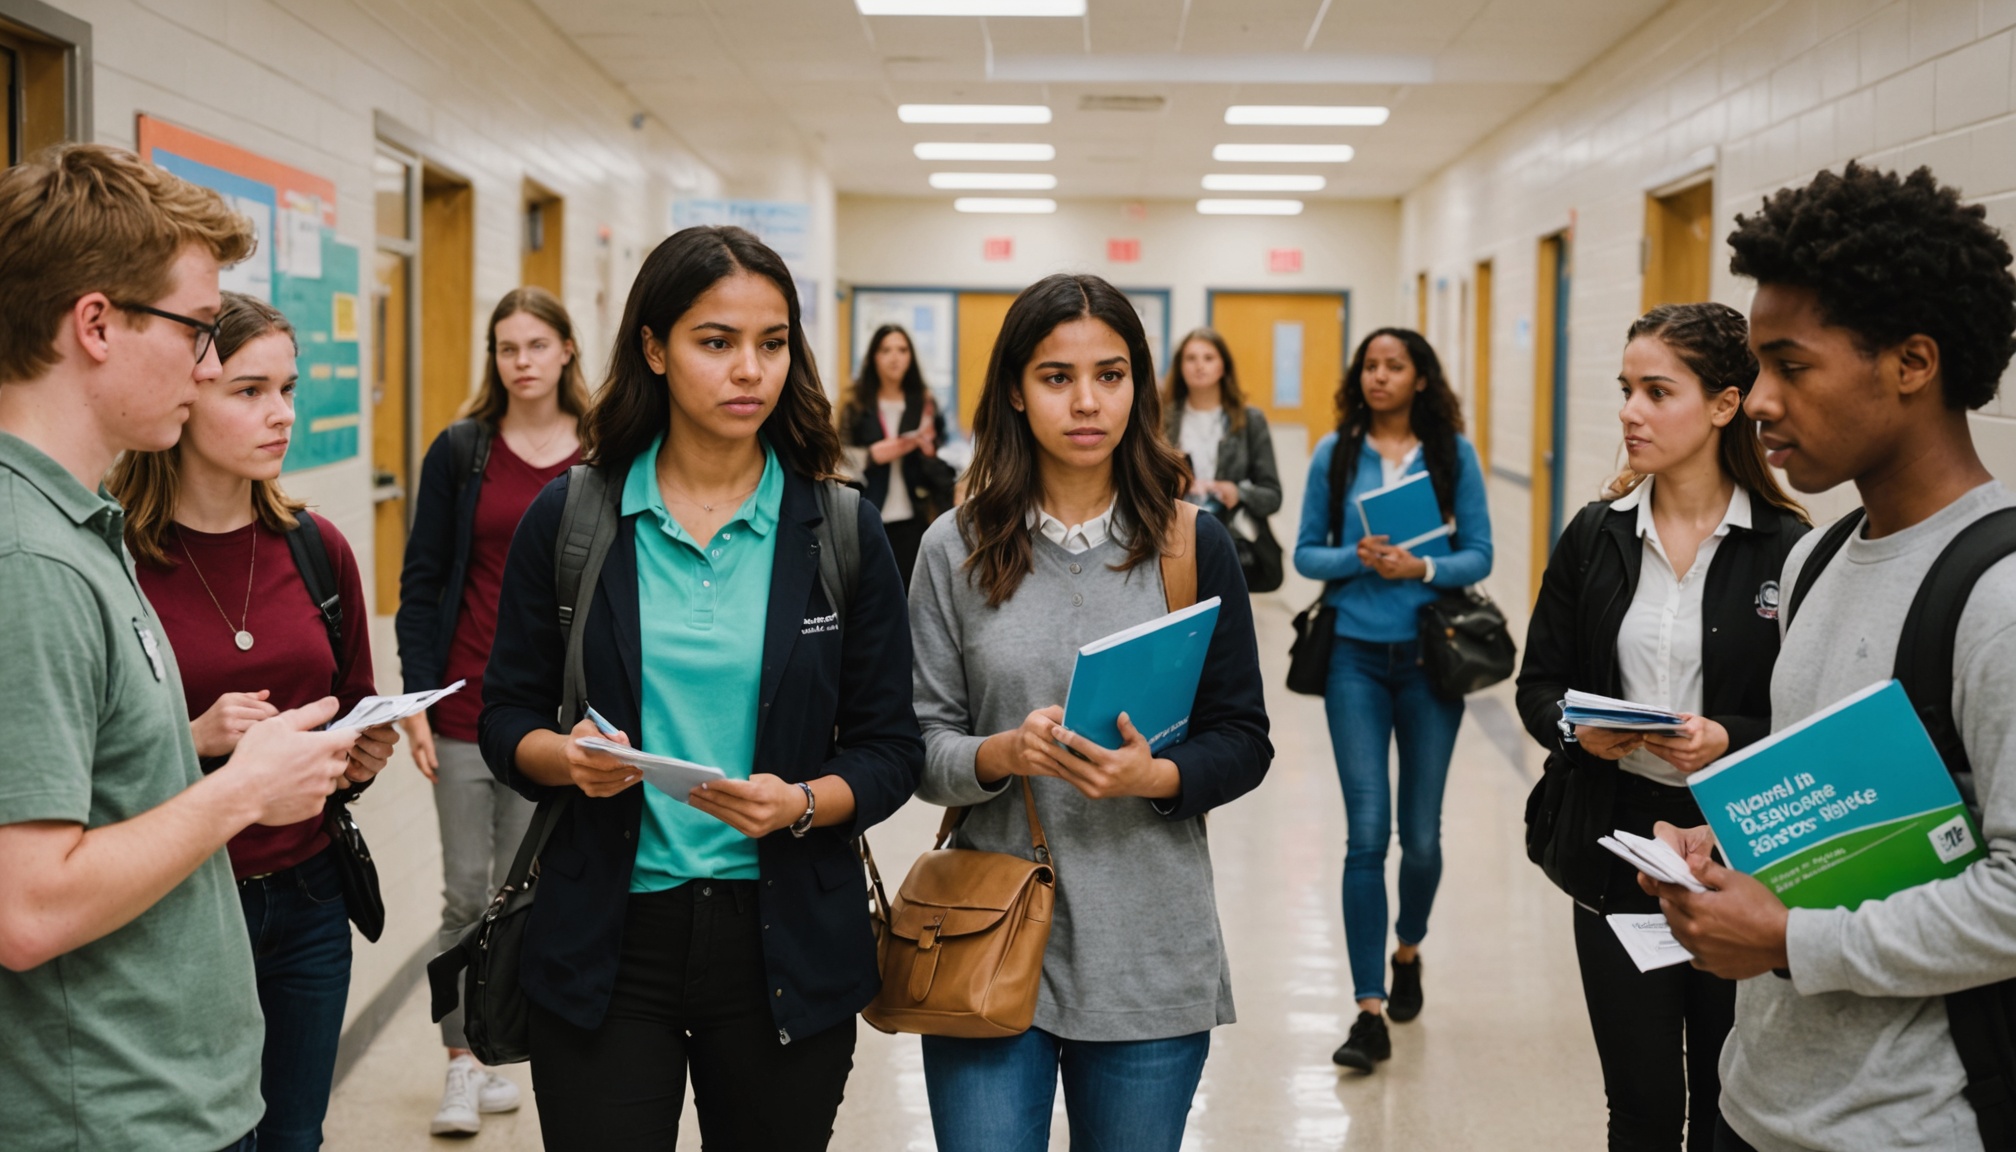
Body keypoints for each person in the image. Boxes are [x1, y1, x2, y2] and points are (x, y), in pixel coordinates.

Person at [479, 224, 923, 1151]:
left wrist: (803, 801)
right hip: (607, 937)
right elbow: (505, 719)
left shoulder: (838, 531)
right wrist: (566, 758)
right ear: (654, 346)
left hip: (785, 944)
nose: (748, 370)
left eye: (771, 344)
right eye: (715, 343)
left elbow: (890, 749)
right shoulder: (573, 516)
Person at [1638, 165, 2016, 1152]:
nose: (1756, 399)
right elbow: (1857, 817)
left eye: (1790, 366)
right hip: (1760, 1100)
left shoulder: (2000, 596)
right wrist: (1729, 847)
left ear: (1913, 361)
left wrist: (1791, 938)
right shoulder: (1813, 561)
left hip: (1912, 1127)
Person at [0, 143, 363, 1151]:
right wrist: (246, 787)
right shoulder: (31, 561)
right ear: (97, 325)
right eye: (199, 331)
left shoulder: (73, 530)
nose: (209, 366)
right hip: (108, 1112)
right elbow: (26, 907)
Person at [909, 272, 1273, 1152]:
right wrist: (998, 753)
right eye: (1056, 376)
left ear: (1138, 391)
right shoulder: (950, 548)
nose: (1086, 402)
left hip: (1148, 949)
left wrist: (1157, 776)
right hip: (986, 940)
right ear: (1014, 392)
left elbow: (1244, 738)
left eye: (1110, 376)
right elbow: (916, 746)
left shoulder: (1192, 543)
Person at [106, 292, 400, 1152]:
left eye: (289, 388)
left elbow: (351, 704)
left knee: (295, 1137)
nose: (282, 415)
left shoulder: (317, 547)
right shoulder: (115, 555)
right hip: (180, 902)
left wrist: (361, 751)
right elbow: (81, 755)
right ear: (185, 394)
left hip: (309, 898)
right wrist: (192, 737)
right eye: (249, 391)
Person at [1515, 303, 1810, 1151]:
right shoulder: (1594, 539)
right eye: (1625, 390)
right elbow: (1541, 686)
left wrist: (1730, 739)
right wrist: (1580, 733)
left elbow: (1811, 718)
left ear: (1724, 405)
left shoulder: (1788, 550)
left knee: (1729, 1104)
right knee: (1641, 1106)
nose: (1629, 413)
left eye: (1656, 391)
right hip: (1618, 854)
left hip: (1741, 855)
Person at [396, 285, 587, 1134]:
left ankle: (509, 1037)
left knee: (526, 892)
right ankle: (461, 1060)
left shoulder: (601, 453)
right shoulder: (463, 450)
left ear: (567, 352)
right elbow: (423, 578)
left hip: (561, 721)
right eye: (507, 347)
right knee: (465, 892)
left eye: (537, 345)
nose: (522, 361)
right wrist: (413, 699)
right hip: (467, 705)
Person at [1292, 327, 1494, 1072]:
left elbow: (1480, 552)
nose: (1379, 377)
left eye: (1394, 366)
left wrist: (1420, 567)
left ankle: (1409, 946)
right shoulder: (1334, 453)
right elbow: (1305, 552)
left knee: (1424, 837)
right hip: (1352, 657)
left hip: (1429, 660)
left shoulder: (1451, 454)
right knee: (1367, 833)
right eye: (1369, 367)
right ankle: (1367, 1007)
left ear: (1419, 377)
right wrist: (1360, 558)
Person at [840, 322, 952, 588]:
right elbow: (839, 460)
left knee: (911, 596)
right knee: (872, 594)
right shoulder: (856, 404)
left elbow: (943, 463)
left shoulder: (924, 403)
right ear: (873, 357)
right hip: (868, 515)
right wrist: (871, 456)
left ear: (910, 356)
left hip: (916, 518)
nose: (894, 357)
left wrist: (927, 452)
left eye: (902, 350)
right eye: (885, 350)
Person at [1160, 327, 1283, 566]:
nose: (1199, 366)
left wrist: (1239, 492)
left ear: (1223, 366)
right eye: (1191, 358)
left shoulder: (1249, 421)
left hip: (1230, 542)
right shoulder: (1161, 418)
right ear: (1180, 366)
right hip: (1172, 540)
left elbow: (1273, 496)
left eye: (1208, 358)